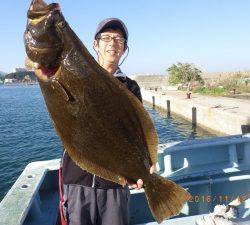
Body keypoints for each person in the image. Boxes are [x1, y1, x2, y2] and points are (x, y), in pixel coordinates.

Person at [59, 18, 155, 225]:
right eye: (106, 38)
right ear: (95, 44)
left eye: (119, 39)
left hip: (114, 185)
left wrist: (145, 164)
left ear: (124, 48)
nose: (112, 43)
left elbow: (136, 133)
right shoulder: (77, 77)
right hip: (78, 179)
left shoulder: (131, 87)